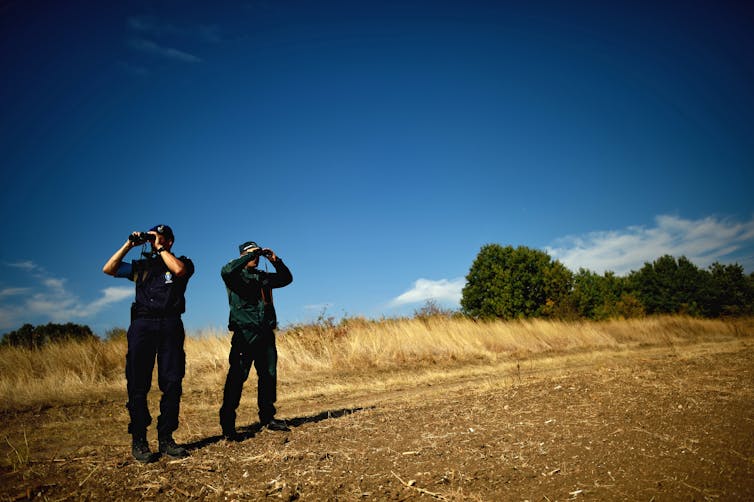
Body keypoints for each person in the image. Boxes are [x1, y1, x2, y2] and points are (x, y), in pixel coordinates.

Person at [102, 224, 194, 463]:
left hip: (170, 324)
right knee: (137, 384)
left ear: (170, 241)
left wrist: (161, 248)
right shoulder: (141, 267)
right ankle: (139, 439)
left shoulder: (182, 261)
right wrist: (128, 245)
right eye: (153, 237)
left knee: (172, 381)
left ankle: (166, 437)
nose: (155, 241)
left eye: (161, 238)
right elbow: (108, 269)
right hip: (143, 325)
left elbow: (180, 271)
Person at [219, 240, 293, 440]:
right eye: (251, 254)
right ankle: (228, 424)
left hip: (265, 334)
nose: (256, 257)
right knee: (237, 377)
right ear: (243, 256)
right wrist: (248, 256)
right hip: (245, 334)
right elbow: (225, 271)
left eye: (257, 254)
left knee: (268, 375)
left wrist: (275, 260)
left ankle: (268, 418)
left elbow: (286, 279)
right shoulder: (235, 277)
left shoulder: (262, 277)